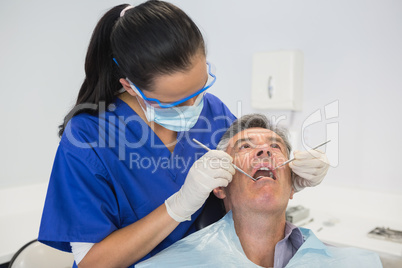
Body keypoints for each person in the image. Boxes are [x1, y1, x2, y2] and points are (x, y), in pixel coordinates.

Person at [38, 1, 330, 267]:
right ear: (130, 87)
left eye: (200, 89)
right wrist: (178, 206)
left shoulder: (213, 112)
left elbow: (243, 184)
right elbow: (92, 262)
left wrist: (289, 176)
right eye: (175, 102)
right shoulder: (89, 138)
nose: (194, 107)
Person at [136, 114, 382, 268]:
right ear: (220, 186)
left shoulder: (357, 263)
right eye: (245, 146)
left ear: (293, 186)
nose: (265, 151)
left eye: (275, 147)